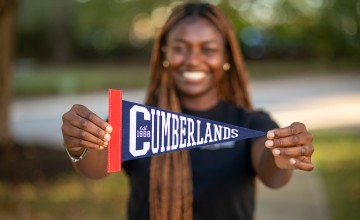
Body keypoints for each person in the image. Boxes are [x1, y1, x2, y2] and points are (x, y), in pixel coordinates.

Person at [61, 3, 314, 220]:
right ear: (165, 54)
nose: (193, 59)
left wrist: (284, 158)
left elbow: (273, 175)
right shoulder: (136, 121)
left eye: (208, 49)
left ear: (226, 57)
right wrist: (79, 146)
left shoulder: (251, 122)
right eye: (180, 47)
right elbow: (95, 167)